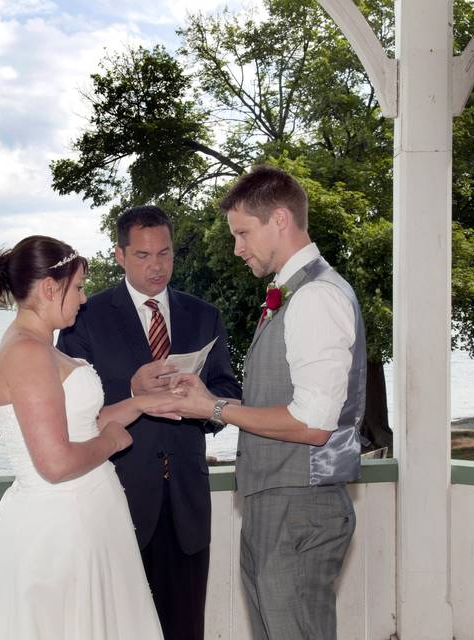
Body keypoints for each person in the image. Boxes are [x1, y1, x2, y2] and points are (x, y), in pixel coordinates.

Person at [165, 166, 364, 640]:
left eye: (242, 233)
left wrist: (212, 408)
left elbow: (314, 425)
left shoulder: (316, 297)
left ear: (279, 219)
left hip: (300, 507)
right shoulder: (293, 293)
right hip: (279, 505)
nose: (237, 247)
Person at [0, 235, 171, 640]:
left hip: (87, 519)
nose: (83, 299)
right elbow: (55, 463)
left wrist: (139, 405)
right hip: (61, 528)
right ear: (50, 288)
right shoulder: (27, 353)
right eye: (79, 287)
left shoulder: (38, 346)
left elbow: (82, 423)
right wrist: (114, 443)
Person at [57, 206, 240, 640]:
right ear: (119, 255)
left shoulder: (204, 315)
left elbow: (230, 394)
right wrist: (131, 389)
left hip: (187, 504)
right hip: (115, 499)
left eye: (165, 253)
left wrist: (203, 403)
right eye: (142, 255)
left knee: (184, 629)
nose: (156, 266)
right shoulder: (85, 316)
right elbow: (74, 410)